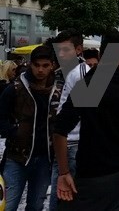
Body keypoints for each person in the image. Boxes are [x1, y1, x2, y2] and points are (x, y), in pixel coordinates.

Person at [53, 28, 119, 210]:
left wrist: (63, 172)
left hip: (91, 174)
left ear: (101, 55)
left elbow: (59, 130)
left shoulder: (87, 85)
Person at [0, 45, 62, 211]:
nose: (40, 70)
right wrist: (13, 131)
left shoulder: (58, 90)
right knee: (8, 205)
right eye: (37, 65)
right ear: (30, 64)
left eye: (45, 65)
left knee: (36, 205)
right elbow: (1, 116)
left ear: (52, 66)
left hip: (44, 158)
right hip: (17, 157)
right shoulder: (15, 88)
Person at [48, 29, 86, 211]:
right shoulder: (61, 73)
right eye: (59, 50)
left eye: (66, 50)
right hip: (65, 143)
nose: (61, 54)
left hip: (71, 143)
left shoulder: (80, 74)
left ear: (79, 50)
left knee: (62, 199)